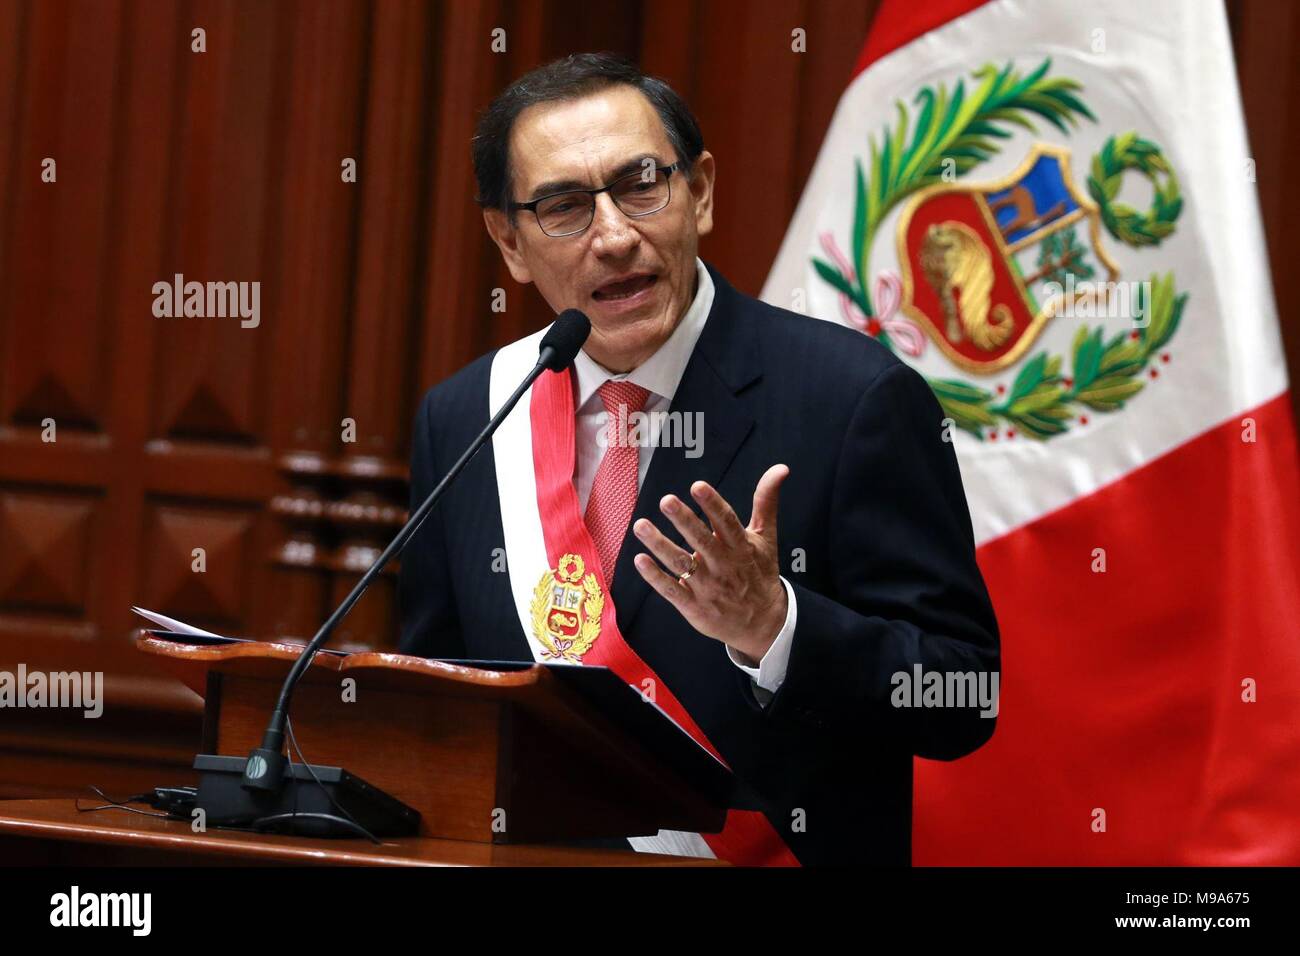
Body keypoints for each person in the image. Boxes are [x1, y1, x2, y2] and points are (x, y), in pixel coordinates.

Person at [398, 52, 1000, 865]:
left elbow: (963, 698)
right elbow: (441, 703)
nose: (615, 236)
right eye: (565, 207)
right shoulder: (468, 417)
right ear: (508, 240)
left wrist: (777, 627)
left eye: (642, 183)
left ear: (700, 192)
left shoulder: (855, 400)